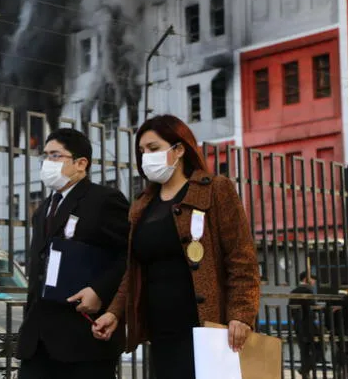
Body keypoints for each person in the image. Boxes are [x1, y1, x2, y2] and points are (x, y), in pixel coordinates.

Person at [91, 115, 260, 379]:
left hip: (207, 327)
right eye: (142, 151)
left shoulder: (215, 190)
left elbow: (242, 259)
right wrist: (114, 312)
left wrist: (241, 314)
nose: (146, 156)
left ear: (179, 149)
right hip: (161, 329)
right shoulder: (142, 205)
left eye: (154, 148)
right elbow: (133, 269)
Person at [16, 128, 130, 379]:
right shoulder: (43, 209)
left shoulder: (104, 200)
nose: (48, 163)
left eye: (56, 156)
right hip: (38, 340)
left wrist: (100, 291)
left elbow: (129, 256)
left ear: (81, 163)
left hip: (82, 339)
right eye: (45, 156)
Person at [289, 271, 323, 379]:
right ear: (306, 279)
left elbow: (292, 310)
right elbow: (311, 309)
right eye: (313, 280)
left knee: (304, 351)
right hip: (308, 325)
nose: (314, 283)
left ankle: (305, 372)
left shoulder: (293, 291)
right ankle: (304, 369)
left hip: (298, 325)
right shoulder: (307, 291)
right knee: (319, 350)